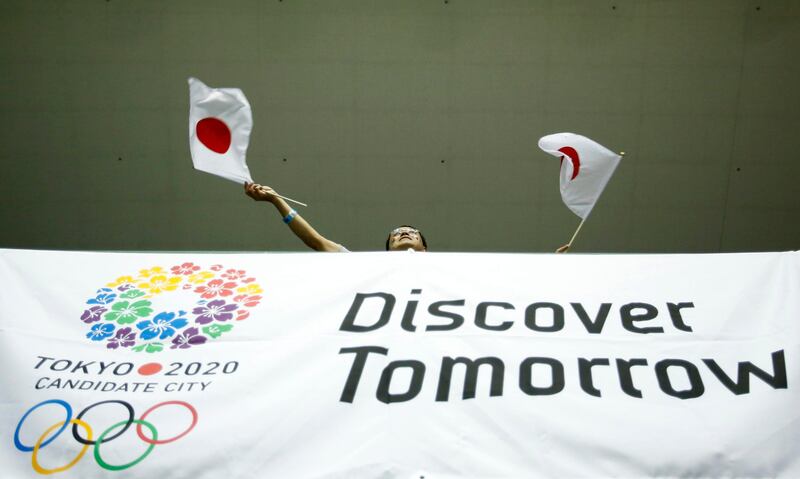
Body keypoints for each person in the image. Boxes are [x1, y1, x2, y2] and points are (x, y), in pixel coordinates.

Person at [244, 183, 427, 252]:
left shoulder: (446, 268)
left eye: (411, 231)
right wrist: (276, 201)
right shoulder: (368, 267)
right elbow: (317, 241)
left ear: (425, 248)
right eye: (396, 233)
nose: (403, 232)